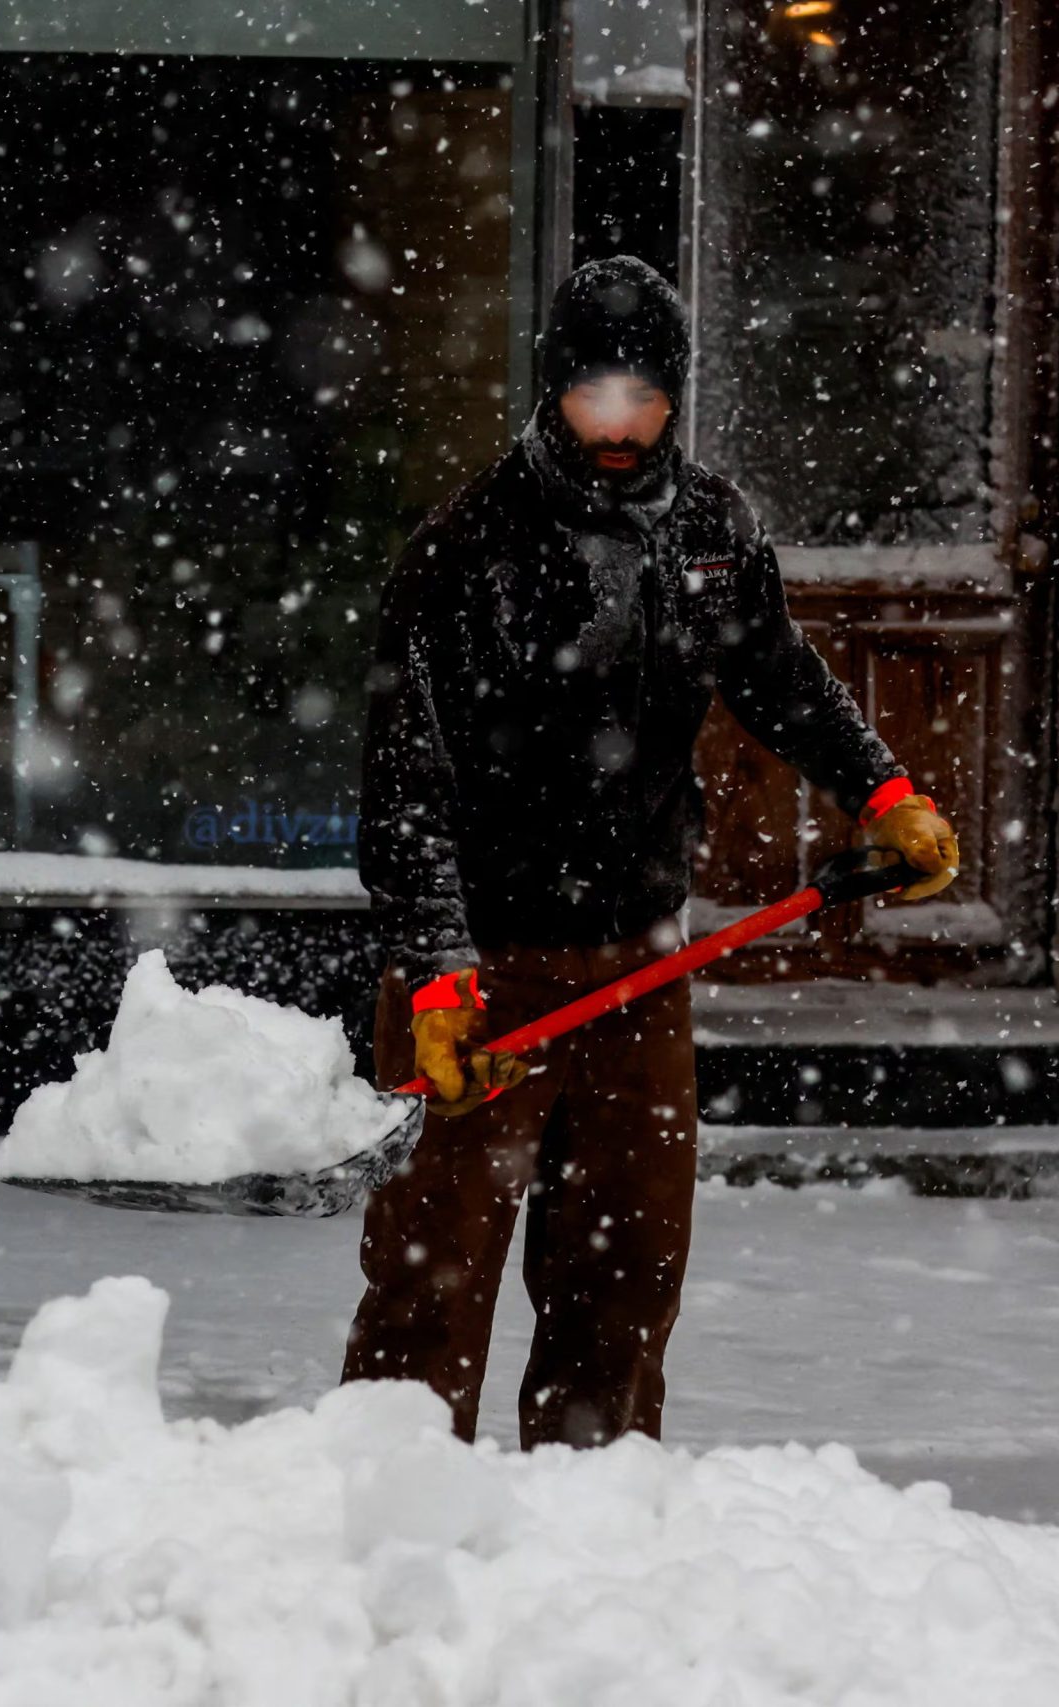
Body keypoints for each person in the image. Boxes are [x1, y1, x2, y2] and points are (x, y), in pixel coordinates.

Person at [344, 255, 959, 1448]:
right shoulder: (467, 546)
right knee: (430, 1283)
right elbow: (404, 778)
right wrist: (433, 970)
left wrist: (879, 789)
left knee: (622, 1283)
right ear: (550, 391)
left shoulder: (712, 530)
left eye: (642, 400)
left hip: (639, 970)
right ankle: (388, 1524)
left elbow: (777, 677)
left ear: (675, 396)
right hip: (483, 976)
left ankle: (597, 1522)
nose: (618, 427)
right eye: (592, 398)